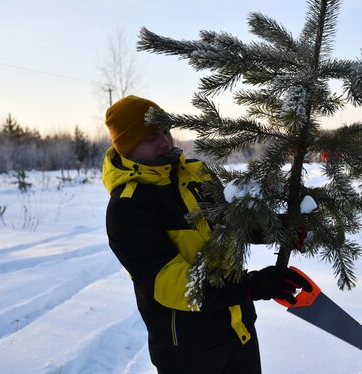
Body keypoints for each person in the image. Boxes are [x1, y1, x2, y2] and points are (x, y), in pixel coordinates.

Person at [102, 95, 311, 373]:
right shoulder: (127, 207)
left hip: (240, 331)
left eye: (166, 131)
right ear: (126, 148)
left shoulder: (196, 174)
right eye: (151, 137)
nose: (166, 142)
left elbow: (230, 225)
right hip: (189, 353)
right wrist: (253, 286)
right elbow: (177, 285)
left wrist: (278, 228)